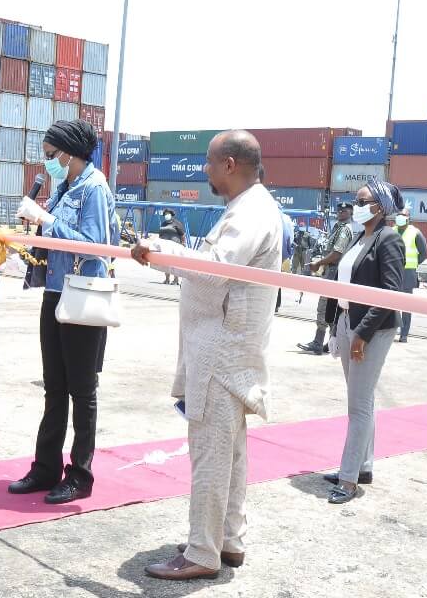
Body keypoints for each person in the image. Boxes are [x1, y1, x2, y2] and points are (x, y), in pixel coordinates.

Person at [133, 130, 280, 581]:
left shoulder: (251, 212)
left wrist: (160, 251)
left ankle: (202, 552)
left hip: (222, 353)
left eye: (210, 162)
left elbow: (212, 270)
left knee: (212, 456)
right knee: (230, 455)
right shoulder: (249, 208)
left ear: (230, 165)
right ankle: (227, 540)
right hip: (227, 350)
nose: (205, 170)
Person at [9, 119, 119, 505]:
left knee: (82, 391)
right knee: (54, 387)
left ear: (69, 153)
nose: (47, 164)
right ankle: (45, 468)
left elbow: (96, 247)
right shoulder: (65, 186)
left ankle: (80, 475)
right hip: (55, 293)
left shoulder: (94, 188)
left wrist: (48, 220)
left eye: (51, 156)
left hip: (83, 296)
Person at [323, 177, 405, 504]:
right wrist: (334, 325)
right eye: (355, 201)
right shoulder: (359, 237)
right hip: (346, 322)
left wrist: (362, 334)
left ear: (380, 207)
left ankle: (348, 480)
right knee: (364, 400)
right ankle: (363, 466)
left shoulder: (389, 240)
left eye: (362, 201)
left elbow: (390, 293)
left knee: (357, 407)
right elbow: (339, 284)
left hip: (371, 330)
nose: (355, 207)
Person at [297, 201, 353, 355]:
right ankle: (329, 343)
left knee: (325, 307)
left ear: (351, 213)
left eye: (344, 210)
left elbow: (337, 253)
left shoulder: (345, 230)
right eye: (339, 210)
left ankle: (319, 342)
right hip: (332, 272)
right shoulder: (339, 227)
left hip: (334, 273)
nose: (340, 212)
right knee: (330, 309)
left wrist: (319, 263)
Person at [393, 206, 427, 343]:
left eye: (403, 216)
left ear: (408, 219)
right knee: (391, 303)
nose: (400, 218)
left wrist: (413, 265)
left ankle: (404, 334)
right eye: (398, 215)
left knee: (406, 305)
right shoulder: (392, 231)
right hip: (393, 272)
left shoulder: (415, 233)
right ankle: (391, 329)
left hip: (408, 273)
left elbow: (423, 253)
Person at [157, 208, 185, 285]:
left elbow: (182, 235)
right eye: (165, 214)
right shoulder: (163, 224)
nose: (166, 215)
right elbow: (160, 234)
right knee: (165, 263)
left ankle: (176, 280)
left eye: (168, 214)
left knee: (174, 264)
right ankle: (167, 279)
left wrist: (183, 243)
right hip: (165, 247)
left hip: (175, 247)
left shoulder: (177, 223)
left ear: (172, 215)